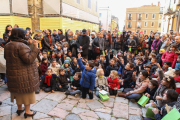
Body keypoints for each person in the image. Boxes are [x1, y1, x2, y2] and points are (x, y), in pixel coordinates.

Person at [4, 28, 39, 118]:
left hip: (13, 74)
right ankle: (27, 112)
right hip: (24, 74)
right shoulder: (21, 45)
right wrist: (35, 47)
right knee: (26, 92)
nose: (26, 36)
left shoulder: (8, 45)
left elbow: (6, 57)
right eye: (25, 34)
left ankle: (20, 109)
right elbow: (29, 59)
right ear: (20, 35)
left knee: (17, 92)